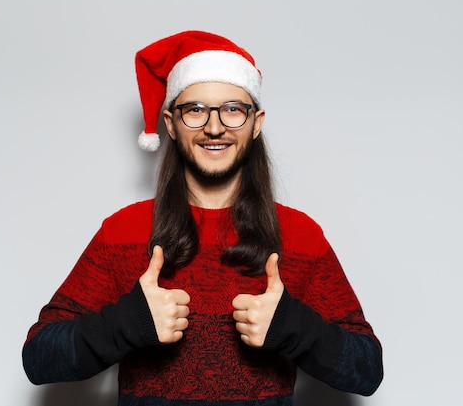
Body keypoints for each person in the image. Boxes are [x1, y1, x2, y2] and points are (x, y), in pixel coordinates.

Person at [22, 30, 383, 405]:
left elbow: (368, 370)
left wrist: (296, 328)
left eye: (232, 109)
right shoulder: (123, 231)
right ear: (171, 123)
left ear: (256, 122)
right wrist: (125, 324)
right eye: (195, 110)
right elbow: (38, 359)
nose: (214, 126)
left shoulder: (299, 235)